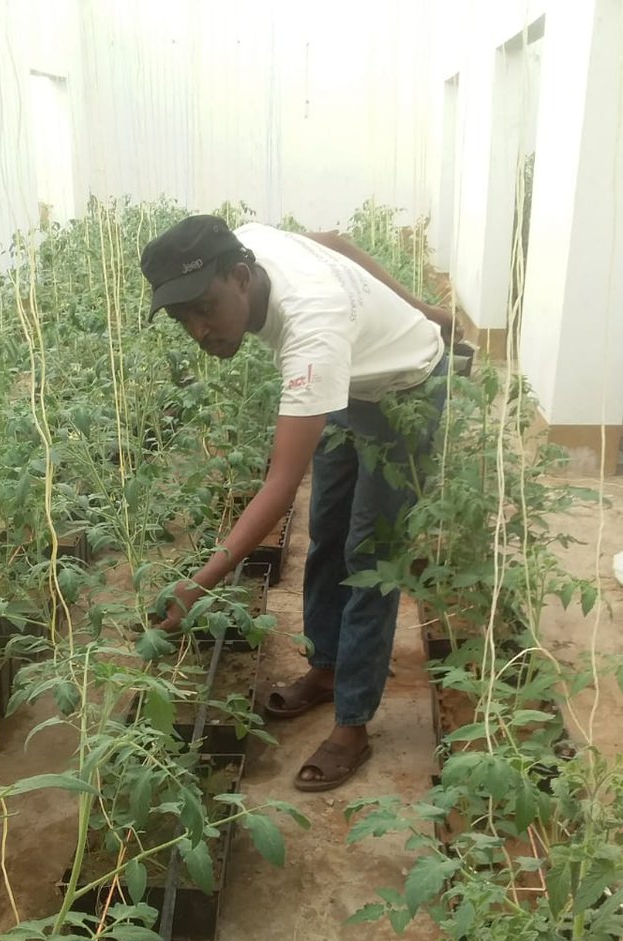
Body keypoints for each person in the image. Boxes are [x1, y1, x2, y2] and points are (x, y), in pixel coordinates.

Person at [140, 215, 454, 792]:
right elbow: (332, 241)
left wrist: (200, 583)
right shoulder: (250, 241)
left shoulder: (312, 330)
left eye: (205, 309)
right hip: (348, 381)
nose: (200, 330)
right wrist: (424, 306)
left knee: (371, 556)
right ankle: (327, 668)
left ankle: (353, 723)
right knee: (327, 530)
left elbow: (280, 486)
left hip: (405, 387)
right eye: (184, 318)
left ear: (241, 278)